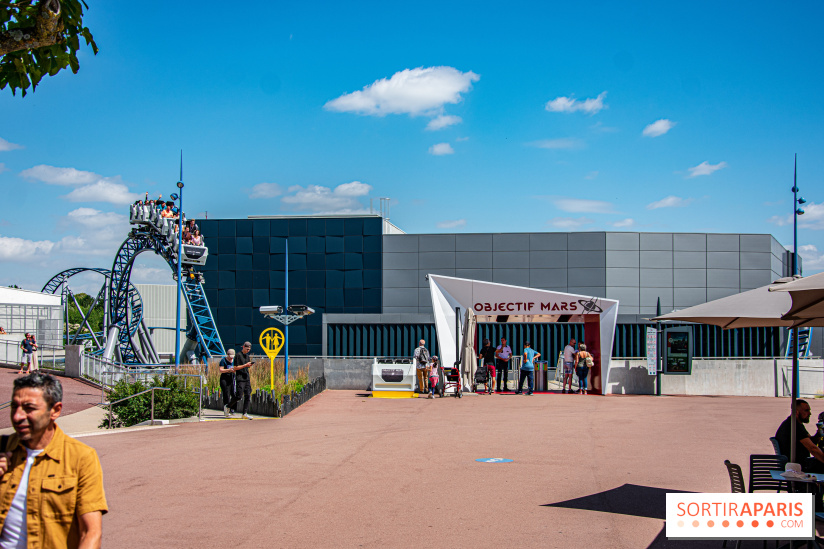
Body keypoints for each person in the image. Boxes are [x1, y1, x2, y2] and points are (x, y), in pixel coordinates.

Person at [0, 373, 107, 548]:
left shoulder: (81, 458)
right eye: (14, 406)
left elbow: (91, 533)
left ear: (55, 410)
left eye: (29, 408)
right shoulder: (2, 448)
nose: (18, 416)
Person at [775, 399, 824, 473]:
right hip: (796, 466)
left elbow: (811, 441)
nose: (809, 413)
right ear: (796, 412)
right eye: (806, 410)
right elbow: (813, 448)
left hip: (796, 463)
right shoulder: (794, 427)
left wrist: (819, 434)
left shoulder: (794, 423)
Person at [229, 342, 254, 419]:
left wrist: (249, 365)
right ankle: (228, 406)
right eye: (247, 349)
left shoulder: (247, 356)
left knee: (248, 395)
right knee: (239, 396)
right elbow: (235, 368)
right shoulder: (238, 355)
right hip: (240, 378)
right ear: (243, 347)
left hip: (246, 377)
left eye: (249, 349)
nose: (248, 351)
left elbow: (246, 367)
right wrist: (245, 365)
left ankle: (244, 413)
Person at [219, 349, 236, 417]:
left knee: (234, 393)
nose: (231, 358)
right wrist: (228, 370)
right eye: (230, 356)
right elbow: (221, 370)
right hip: (225, 378)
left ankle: (232, 408)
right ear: (227, 355)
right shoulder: (223, 360)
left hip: (232, 378)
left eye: (232, 356)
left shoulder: (234, 360)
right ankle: (227, 409)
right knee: (226, 394)